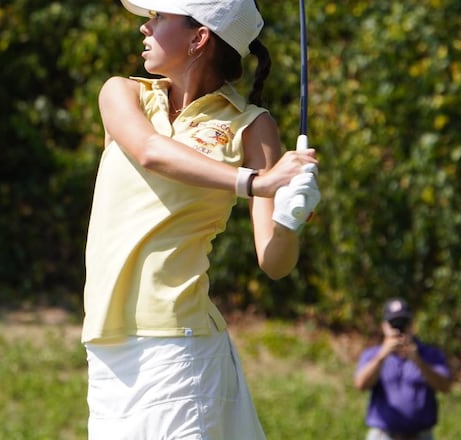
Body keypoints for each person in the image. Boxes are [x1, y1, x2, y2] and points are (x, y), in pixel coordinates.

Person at [81, 0, 321, 438]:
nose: (144, 28)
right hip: (106, 350)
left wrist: (291, 218)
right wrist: (252, 182)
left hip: (179, 345)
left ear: (199, 36)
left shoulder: (251, 127)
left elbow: (275, 262)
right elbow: (151, 152)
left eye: (159, 17)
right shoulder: (122, 92)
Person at [354, 297, 453, 440]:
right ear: (384, 326)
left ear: (412, 325)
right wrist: (382, 356)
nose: (399, 329)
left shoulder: (430, 355)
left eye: (403, 323)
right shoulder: (372, 354)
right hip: (384, 435)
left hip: (421, 436)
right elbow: (360, 385)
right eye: (394, 324)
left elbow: (445, 387)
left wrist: (418, 360)